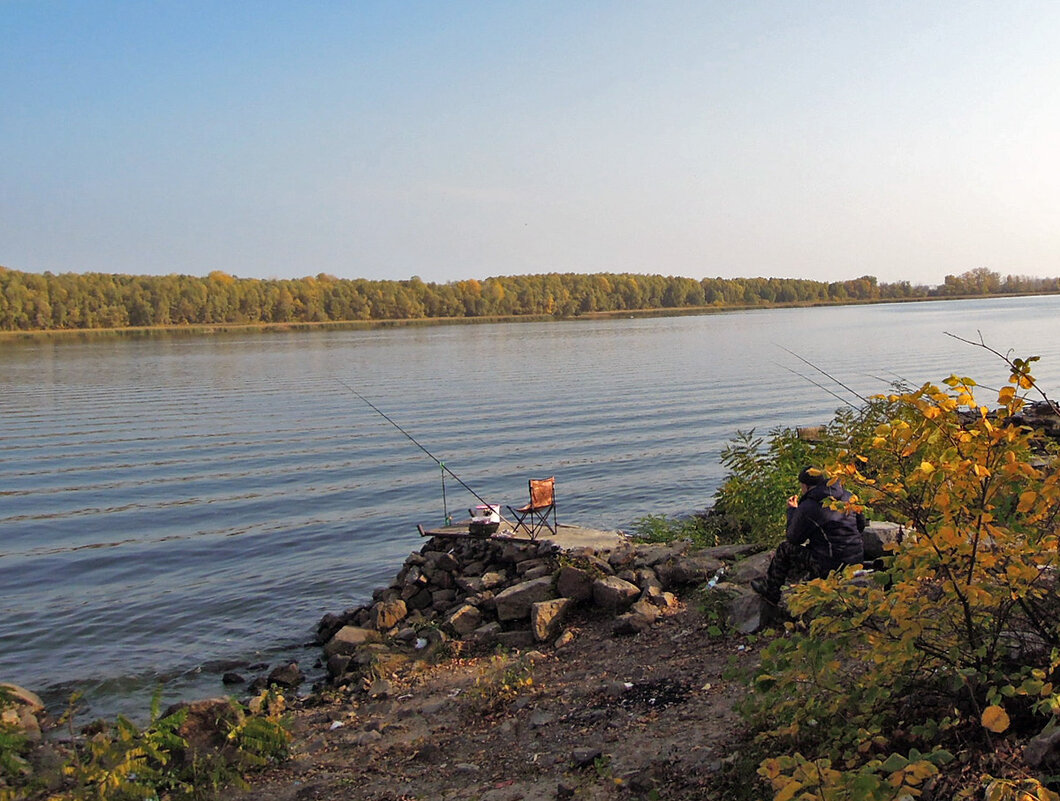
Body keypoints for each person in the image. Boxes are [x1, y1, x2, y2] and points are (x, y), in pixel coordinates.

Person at [751, 466, 865, 604]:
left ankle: (771, 592)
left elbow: (793, 538)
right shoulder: (848, 496)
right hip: (856, 560)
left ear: (805, 486)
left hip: (829, 566)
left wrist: (793, 511)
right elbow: (861, 525)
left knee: (784, 549)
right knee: (819, 547)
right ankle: (808, 580)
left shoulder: (809, 506)